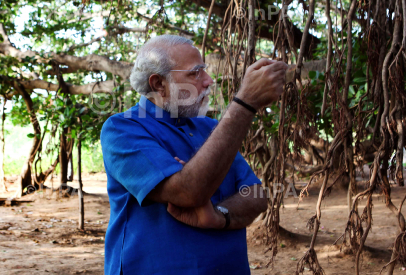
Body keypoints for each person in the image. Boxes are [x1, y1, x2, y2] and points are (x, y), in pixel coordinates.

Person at [100, 35, 288, 274]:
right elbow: (188, 192)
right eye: (195, 73)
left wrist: (219, 216)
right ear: (159, 84)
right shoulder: (122, 129)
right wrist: (245, 103)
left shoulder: (210, 128)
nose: (209, 81)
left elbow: (257, 195)